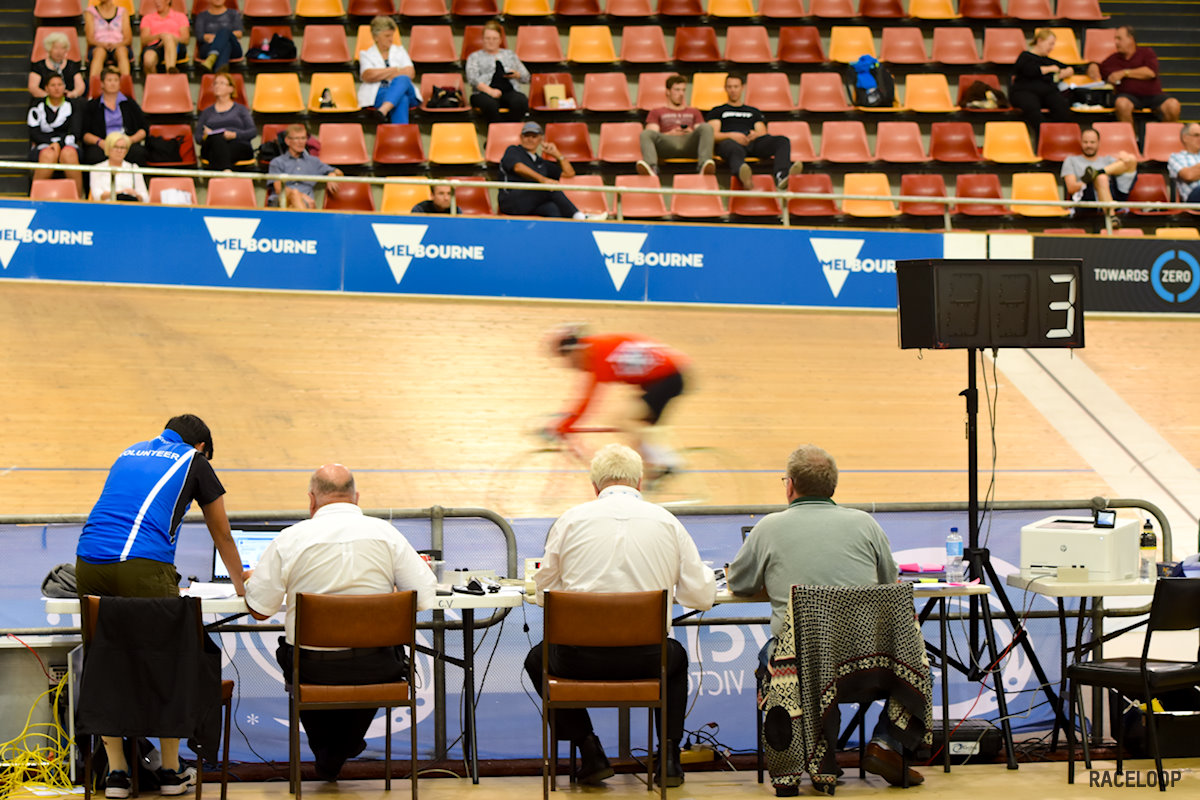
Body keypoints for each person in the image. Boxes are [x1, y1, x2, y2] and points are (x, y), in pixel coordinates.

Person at [75, 414, 248, 799]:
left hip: (87, 562)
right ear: (202, 446)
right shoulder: (193, 460)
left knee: (107, 662)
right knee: (171, 662)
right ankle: (171, 772)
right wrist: (241, 584)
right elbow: (220, 531)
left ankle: (117, 774)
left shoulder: (127, 452)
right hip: (141, 565)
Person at [523, 444, 716, 788]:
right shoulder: (667, 522)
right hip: (647, 660)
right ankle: (669, 759)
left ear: (595, 486)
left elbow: (542, 595)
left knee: (538, 658)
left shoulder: (569, 520)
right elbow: (701, 597)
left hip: (576, 661)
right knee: (676, 658)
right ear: (640, 482)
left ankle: (590, 750)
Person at [727, 444, 918, 788]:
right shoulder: (866, 524)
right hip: (865, 669)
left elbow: (739, 584)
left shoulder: (769, 528)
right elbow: (890, 583)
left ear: (790, 485)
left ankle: (818, 763)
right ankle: (886, 744)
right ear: (833, 486)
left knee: (779, 657)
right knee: (918, 660)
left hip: (798, 669)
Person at [245, 463, 436, 782]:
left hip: (312, 668)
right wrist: (387, 595)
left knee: (291, 656)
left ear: (311, 500)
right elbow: (424, 596)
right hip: (377, 665)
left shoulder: (290, 538)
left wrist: (254, 581)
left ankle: (331, 751)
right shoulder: (385, 533)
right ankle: (338, 749)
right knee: (370, 664)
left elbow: (260, 610)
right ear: (356, 498)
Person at [547, 325, 687, 477]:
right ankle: (657, 469)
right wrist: (564, 424)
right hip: (661, 380)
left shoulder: (600, 356)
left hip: (668, 379)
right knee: (639, 430)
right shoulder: (596, 348)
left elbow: (587, 402)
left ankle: (667, 463)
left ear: (577, 350)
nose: (569, 365)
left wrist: (563, 426)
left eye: (568, 358)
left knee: (623, 420)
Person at [706, 72, 802, 191]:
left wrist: (755, 135)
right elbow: (713, 135)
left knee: (782, 141)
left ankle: (782, 176)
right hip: (729, 143)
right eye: (729, 87)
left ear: (742, 88)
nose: (733, 90)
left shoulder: (753, 111)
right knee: (732, 147)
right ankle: (743, 176)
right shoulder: (718, 111)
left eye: (736, 87)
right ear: (725, 88)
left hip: (752, 143)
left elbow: (762, 133)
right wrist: (732, 136)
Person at [498, 121, 606, 220]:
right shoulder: (513, 150)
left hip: (530, 204)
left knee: (552, 208)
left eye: (534, 136)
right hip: (511, 202)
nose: (530, 139)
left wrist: (557, 154)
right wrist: (543, 180)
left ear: (541, 139)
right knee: (550, 188)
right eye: (526, 136)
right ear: (521, 137)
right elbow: (518, 167)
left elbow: (569, 173)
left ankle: (559, 237)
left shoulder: (541, 162)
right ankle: (580, 217)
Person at [1086, 25, 1180, 125]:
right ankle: (1131, 138)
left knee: (1173, 105)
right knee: (1121, 103)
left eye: (1119, 39)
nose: (1116, 42)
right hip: (1128, 96)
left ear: (1130, 39)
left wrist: (1124, 73)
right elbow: (1098, 68)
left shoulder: (1146, 53)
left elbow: (1150, 72)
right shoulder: (1113, 59)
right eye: (1115, 39)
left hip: (1153, 95)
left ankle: (1163, 137)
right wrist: (1093, 66)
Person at [636, 74, 715, 178]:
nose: (681, 93)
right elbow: (653, 132)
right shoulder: (657, 111)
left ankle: (704, 166)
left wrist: (690, 131)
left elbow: (701, 131)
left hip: (688, 142)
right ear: (668, 92)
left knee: (707, 127)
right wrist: (670, 133)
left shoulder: (694, 111)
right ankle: (651, 169)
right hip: (668, 143)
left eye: (683, 90)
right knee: (646, 133)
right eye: (677, 90)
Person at [1061, 127, 1138, 221]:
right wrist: (1091, 180)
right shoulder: (1071, 160)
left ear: (1098, 143)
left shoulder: (1107, 159)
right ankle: (1111, 218)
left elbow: (1128, 160)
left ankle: (1098, 172)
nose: (1089, 145)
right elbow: (1071, 188)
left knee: (1132, 159)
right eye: (1085, 142)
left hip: (1110, 193)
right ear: (1081, 142)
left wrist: (1123, 154)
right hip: (1085, 197)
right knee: (1101, 178)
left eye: (1092, 142)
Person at [1010, 28, 1074, 139]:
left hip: (1046, 92)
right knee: (1034, 112)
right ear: (1039, 40)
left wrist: (1065, 72)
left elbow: (1068, 68)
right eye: (1050, 44)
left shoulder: (1047, 60)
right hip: (1025, 92)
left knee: (1062, 108)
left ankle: (1060, 139)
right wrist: (1049, 69)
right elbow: (1030, 70)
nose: (1052, 48)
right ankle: (1045, 140)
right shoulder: (1025, 56)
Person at [358, 15, 420, 124]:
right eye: (387, 36)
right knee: (402, 99)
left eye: (392, 35)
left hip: (407, 91)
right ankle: (400, 138)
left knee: (403, 79)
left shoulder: (400, 51)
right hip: (379, 94)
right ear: (376, 37)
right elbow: (368, 75)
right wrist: (395, 69)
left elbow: (410, 73)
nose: (391, 39)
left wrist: (382, 73)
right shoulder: (366, 54)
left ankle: (384, 109)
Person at [80, 67, 148, 166]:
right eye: (109, 80)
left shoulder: (130, 103)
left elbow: (144, 129)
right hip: (103, 143)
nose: (113, 83)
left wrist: (130, 140)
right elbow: (85, 134)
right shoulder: (92, 105)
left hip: (125, 142)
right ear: (102, 84)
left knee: (139, 153)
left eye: (116, 80)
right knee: (93, 156)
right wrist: (100, 142)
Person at [465, 19, 529, 123]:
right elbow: (472, 79)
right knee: (490, 105)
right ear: (483, 39)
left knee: (520, 101)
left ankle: (511, 129)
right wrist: (490, 91)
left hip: (509, 91)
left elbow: (526, 77)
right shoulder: (474, 57)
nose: (491, 41)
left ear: (500, 40)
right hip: (483, 93)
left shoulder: (510, 55)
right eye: (488, 38)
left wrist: (517, 75)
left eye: (495, 38)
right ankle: (497, 133)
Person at [28, 74, 82, 196]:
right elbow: (34, 132)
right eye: (53, 85)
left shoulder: (74, 105)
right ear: (46, 88)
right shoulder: (37, 105)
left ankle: (79, 198)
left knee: (69, 154)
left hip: (68, 144)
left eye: (60, 85)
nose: (57, 88)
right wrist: (52, 144)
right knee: (48, 155)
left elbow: (76, 132)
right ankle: (34, 198)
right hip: (44, 145)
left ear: (64, 87)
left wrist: (59, 144)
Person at [268, 123, 342, 209]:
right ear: (287, 141)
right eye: (297, 138)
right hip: (280, 201)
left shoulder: (314, 162)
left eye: (303, 138)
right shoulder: (277, 162)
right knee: (295, 194)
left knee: (295, 206)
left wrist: (332, 174)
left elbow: (339, 172)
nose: (301, 142)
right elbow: (279, 188)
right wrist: (299, 195)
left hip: (304, 204)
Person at [195, 72, 256, 171]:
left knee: (219, 151)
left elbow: (252, 132)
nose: (217, 86)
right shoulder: (207, 112)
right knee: (217, 138)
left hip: (237, 145)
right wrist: (206, 136)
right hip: (212, 145)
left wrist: (234, 135)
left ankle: (224, 172)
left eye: (222, 83)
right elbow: (198, 138)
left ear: (231, 88)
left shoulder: (241, 109)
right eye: (215, 83)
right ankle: (226, 171)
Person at [89, 132, 148, 202]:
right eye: (115, 147)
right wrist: (121, 193)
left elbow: (145, 197)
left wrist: (136, 195)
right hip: (105, 207)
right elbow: (97, 196)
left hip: (129, 207)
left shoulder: (134, 168)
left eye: (122, 148)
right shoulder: (96, 169)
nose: (119, 150)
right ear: (108, 148)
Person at [28, 30, 85, 100]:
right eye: (55, 48)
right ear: (49, 49)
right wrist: (51, 97)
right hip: (45, 100)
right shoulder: (39, 66)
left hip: (69, 99)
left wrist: (72, 94)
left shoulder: (72, 65)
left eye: (62, 48)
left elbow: (80, 87)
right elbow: (33, 88)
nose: (59, 51)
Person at [84, 0, 133, 79]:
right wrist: (103, 44)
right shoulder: (90, 12)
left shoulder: (123, 11)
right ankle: (94, 87)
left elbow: (128, 39)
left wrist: (116, 45)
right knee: (100, 52)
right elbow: (90, 39)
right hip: (98, 45)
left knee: (121, 52)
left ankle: (125, 86)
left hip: (119, 44)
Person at [140, 0, 190, 74]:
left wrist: (170, 38)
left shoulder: (181, 17)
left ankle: (170, 70)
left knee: (168, 38)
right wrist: (160, 36)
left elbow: (186, 39)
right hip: (156, 46)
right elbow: (144, 40)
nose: (157, 2)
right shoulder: (147, 18)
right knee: (148, 60)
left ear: (168, 1)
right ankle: (154, 83)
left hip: (176, 46)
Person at [193, 0, 243, 73]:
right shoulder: (202, 16)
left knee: (225, 31)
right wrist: (221, 39)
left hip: (234, 50)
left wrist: (218, 37)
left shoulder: (233, 13)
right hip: (208, 48)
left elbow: (239, 33)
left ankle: (212, 56)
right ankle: (220, 74)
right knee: (226, 45)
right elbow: (200, 36)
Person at [1168, 123, 1200, 204]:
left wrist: (1195, 171)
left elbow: (1192, 173)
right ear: (1185, 137)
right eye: (1196, 135)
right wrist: (1192, 172)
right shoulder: (1175, 157)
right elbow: (1188, 175)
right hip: (1194, 196)